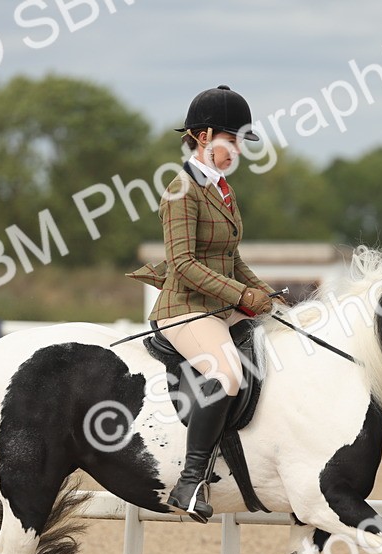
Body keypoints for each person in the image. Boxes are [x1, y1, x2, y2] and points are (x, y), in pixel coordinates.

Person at [127, 85, 280, 522]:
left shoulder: (223, 190)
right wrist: (240, 295)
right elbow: (185, 264)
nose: (235, 150)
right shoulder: (180, 191)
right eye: (229, 140)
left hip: (216, 305)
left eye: (239, 143)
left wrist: (263, 294)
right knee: (228, 373)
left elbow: (232, 259)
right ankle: (191, 481)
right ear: (202, 135)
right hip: (184, 308)